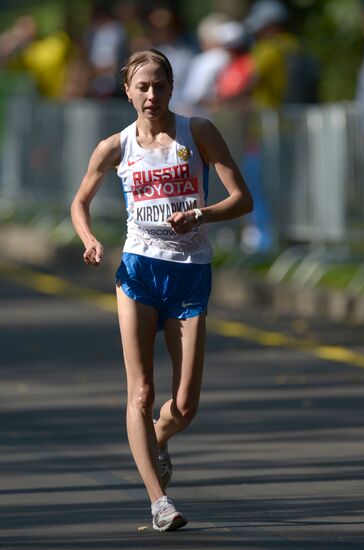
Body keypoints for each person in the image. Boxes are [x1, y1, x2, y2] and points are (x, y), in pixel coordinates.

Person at [70, 48, 253, 532]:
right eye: (142, 87)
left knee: (186, 405)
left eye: (160, 85)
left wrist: (199, 214)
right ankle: (159, 502)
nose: (152, 95)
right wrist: (90, 239)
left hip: (191, 271)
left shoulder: (200, 133)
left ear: (172, 88)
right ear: (128, 91)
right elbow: (80, 201)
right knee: (142, 391)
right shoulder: (115, 146)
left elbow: (242, 199)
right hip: (138, 271)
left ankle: (157, 439)